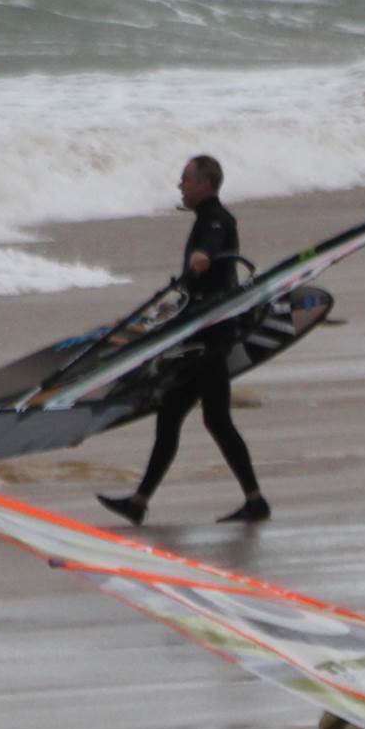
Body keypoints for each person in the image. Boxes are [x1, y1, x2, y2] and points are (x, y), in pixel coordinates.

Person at [98, 153, 267, 526]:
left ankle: (140, 503)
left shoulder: (216, 220)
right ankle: (253, 500)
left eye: (186, 180)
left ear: (205, 184)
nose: (181, 186)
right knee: (213, 420)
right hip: (208, 333)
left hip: (209, 338)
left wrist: (201, 257)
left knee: (177, 413)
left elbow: (209, 250)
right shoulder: (210, 218)